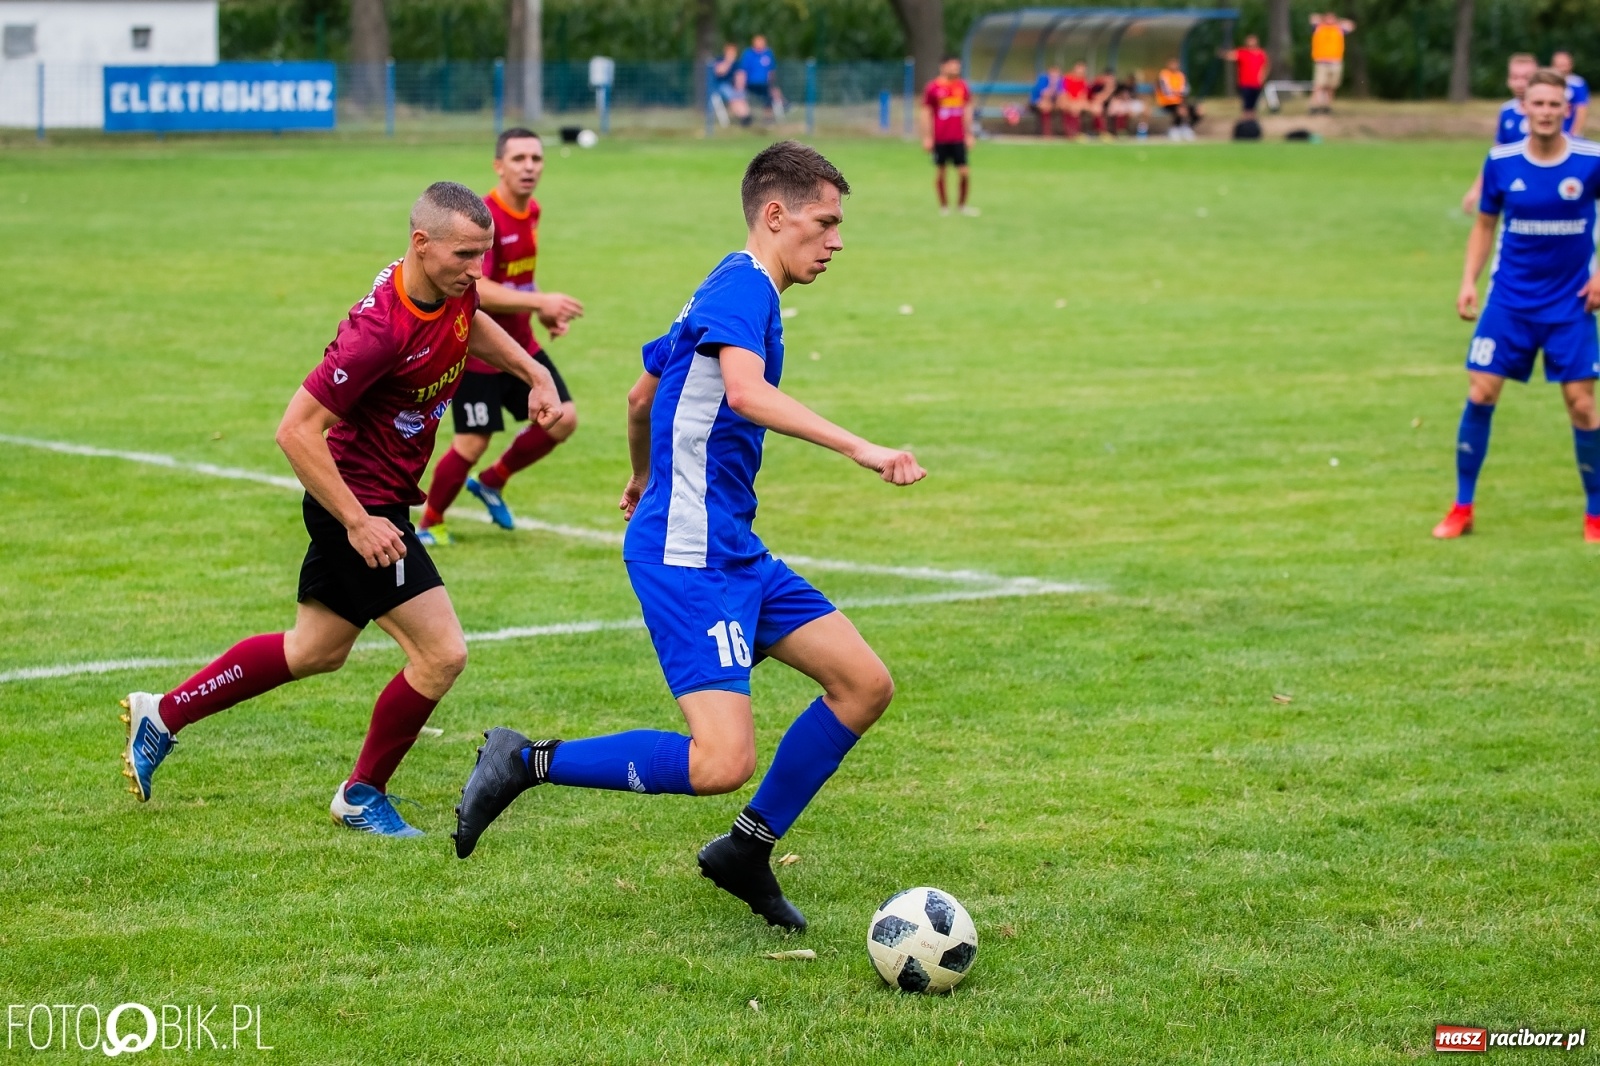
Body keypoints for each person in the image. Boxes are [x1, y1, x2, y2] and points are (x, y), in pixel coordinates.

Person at [452, 142, 927, 931]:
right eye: (826, 221)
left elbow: (640, 397)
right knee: (720, 761)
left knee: (863, 684)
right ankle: (524, 759)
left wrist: (641, 478)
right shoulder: (742, 290)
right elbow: (743, 393)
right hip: (689, 554)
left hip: (730, 544)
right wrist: (862, 447)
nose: (837, 240)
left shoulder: (726, 286)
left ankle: (746, 851)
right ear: (776, 216)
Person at [119, 183, 562, 836]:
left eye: (484, 255)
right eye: (466, 256)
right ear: (421, 244)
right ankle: (361, 794)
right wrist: (357, 521)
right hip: (359, 507)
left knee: (315, 649)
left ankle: (164, 714)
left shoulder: (450, 282)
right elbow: (295, 430)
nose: (478, 272)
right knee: (442, 654)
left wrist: (534, 372)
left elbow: (475, 322)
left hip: (378, 504)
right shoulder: (380, 331)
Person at [1433, 70, 1600, 542]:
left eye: (1555, 105)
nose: (1546, 112)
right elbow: (1485, 225)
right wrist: (1468, 281)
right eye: (1538, 103)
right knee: (1481, 393)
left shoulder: (1591, 160)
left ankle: (1595, 515)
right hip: (1509, 302)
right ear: (1522, 108)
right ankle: (1462, 508)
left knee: (1583, 406)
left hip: (1571, 306)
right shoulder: (1501, 161)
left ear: (1567, 110)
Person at [417, 129, 583, 545]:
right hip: (478, 350)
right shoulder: (483, 221)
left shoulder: (533, 212)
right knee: (472, 441)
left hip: (521, 344)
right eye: (518, 159)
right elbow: (481, 287)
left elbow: (520, 278)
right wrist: (540, 302)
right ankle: (429, 524)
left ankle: (492, 482)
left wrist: (540, 310)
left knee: (562, 419)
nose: (529, 167)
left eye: (536, 158)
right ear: (498, 166)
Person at [1460, 54, 1538, 215]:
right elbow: (1496, 155)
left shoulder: (1549, 112)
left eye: (1526, 77)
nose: (1520, 83)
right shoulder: (1507, 112)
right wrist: (1476, 190)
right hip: (1515, 187)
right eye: (1515, 77)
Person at [920, 54, 977, 216]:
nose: (956, 69)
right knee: (941, 171)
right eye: (952, 66)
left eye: (957, 66)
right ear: (943, 66)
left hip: (958, 137)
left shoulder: (962, 87)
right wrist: (927, 137)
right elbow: (926, 112)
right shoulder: (933, 88)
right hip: (941, 138)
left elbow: (967, 110)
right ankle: (944, 206)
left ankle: (962, 206)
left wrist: (969, 134)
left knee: (964, 171)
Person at [1309, 12, 1355, 114]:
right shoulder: (1319, 28)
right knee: (1319, 85)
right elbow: (1313, 18)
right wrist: (1323, 20)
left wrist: (1337, 22)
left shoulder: (1338, 29)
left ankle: (1327, 106)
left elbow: (1351, 25)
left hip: (1335, 61)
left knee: (1331, 86)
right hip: (1321, 61)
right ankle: (1314, 106)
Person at [736, 34, 783, 124]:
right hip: (750, 83)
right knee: (740, 96)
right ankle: (746, 117)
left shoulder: (768, 53)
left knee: (769, 95)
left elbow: (771, 70)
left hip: (764, 83)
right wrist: (741, 84)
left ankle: (768, 118)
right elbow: (743, 70)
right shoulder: (748, 54)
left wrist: (772, 82)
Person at [1221, 34, 1270, 119]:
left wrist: (1263, 76)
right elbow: (1231, 56)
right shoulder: (1242, 52)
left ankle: (1252, 120)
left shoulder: (1261, 53)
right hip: (1245, 83)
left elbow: (1266, 66)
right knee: (1247, 104)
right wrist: (1223, 52)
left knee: (1254, 103)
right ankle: (1247, 121)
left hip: (1256, 83)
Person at [1155, 58, 1197, 140]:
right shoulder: (1164, 74)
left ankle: (1186, 128)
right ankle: (1174, 129)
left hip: (1179, 101)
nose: (1174, 66)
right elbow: (1166, 91)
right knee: (1180, 109)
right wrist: (1177, 93)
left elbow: (1185, 89)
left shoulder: (1180, 75)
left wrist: (1178, 94)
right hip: (1167, 102)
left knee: (1198, 110)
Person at [711, 43, 750, 127]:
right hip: (720, 86)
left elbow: (740, 76)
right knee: (733, 97)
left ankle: (746, 115)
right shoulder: (719, 60)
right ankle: (744, 116)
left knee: (740, 96)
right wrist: (728, 61)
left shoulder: (736, 64)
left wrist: (739, 87)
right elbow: (720, 71)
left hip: (733, 86)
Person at [1552, 50, 1589, 136]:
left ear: (1571, 65)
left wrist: (1575, 133)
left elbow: (1581, 109)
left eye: (1564, 65)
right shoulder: (1547, 84)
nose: (1562, 68)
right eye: (1559, 65)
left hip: (1570, 133)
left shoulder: (1577, 84)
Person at [1059, 62, 1092, 138]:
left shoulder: (1083, 80)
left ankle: (1098, 132)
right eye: (1079, 69)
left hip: (1077, 102)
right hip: (1066, 101)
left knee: (1096, 108)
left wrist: (1080, 103)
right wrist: (1072, 103)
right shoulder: (1066, 78)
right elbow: (1064, 94)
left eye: (1083, 70)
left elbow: (1083, 95)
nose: (1081, 71)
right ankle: (1072, 133)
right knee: (1074, 109)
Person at [1030, 64, 1063, 136]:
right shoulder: (1043, 80)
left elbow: (1061, 95)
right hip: (1036, 103)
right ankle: (1046, 132)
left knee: (1066, 106)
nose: (1054, 77)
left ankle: (1067, 133)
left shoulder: (1060, 82)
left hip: (1052, 103)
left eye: (1056, 75)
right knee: (1045, 106)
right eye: (1052, 74)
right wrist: (1053, 85)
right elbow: (1044, 95)